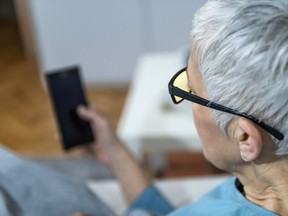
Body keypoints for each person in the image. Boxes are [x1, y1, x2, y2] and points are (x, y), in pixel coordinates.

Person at [76, 0, 288, 215]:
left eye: (192, 92)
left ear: (244, 138)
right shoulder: (253, 186)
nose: (189, 101)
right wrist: (115, 153)